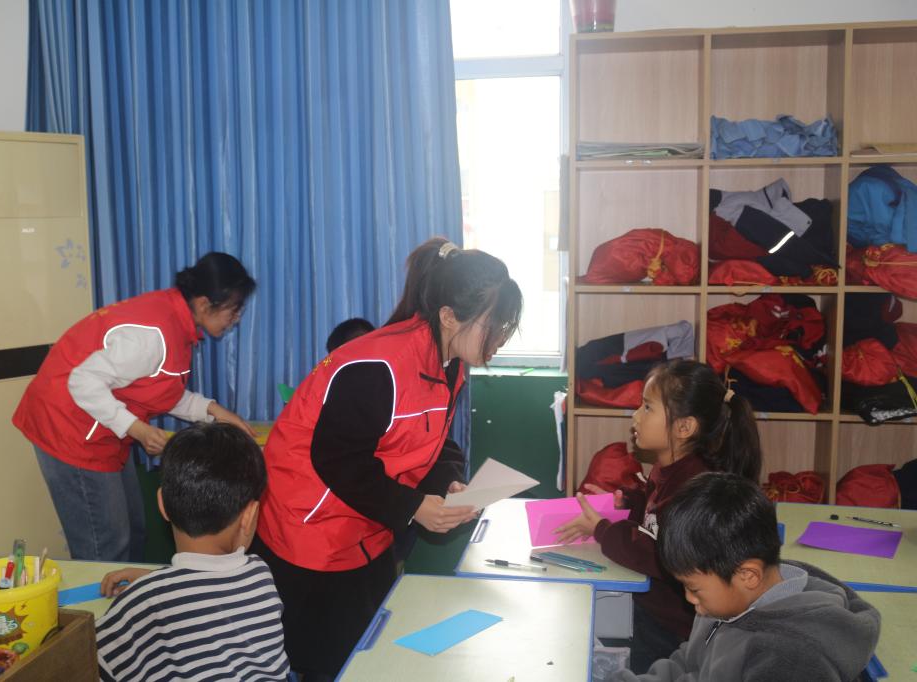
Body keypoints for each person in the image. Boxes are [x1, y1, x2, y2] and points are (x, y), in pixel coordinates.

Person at [252, 238, 522, 680]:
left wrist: (448, 483)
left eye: (506, 325)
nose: (501, 337)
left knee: (370, 656)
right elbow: (339, 461)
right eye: (493, 324)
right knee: (328, 665)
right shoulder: (376, 367)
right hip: (309, 533)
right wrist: (415, 506)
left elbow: (432, 442)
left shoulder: (450, 361)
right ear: (449, 316)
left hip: (367, 524)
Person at [12, 252, 257, 561]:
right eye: (234, 310)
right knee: (105, 545)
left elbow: (158, 388)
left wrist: (215, 411)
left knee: (134, 529)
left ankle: (127, 590)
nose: (236, 319)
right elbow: (83, 382)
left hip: (103, 426)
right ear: (204, 303)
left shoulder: (176, 319)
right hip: (68, 429)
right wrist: (138, 429)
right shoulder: (152, 335)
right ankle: (103, 594)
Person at [554, 359, 762, 673]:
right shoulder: (668, 466)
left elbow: (659, 554)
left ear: (684, 427)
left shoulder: (695, 486)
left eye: (648, 407)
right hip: (656, 612)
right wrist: (629, 503)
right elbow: (655, 516)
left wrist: (603, 529)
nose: (636, 415)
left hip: (675, 629)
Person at [610, 471, 880, 681]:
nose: (689, 598)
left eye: (693, 588)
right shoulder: (727, 599)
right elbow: (689, 661)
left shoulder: (790, 658)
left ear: (748, 575)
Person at [95, 423, 289, 682]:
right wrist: (155, 580)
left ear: (162, 504)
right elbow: (208, 593)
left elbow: (84, 659)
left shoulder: (143, 602)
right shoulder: (260, 575)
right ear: (250, 515)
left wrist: (152, 585)